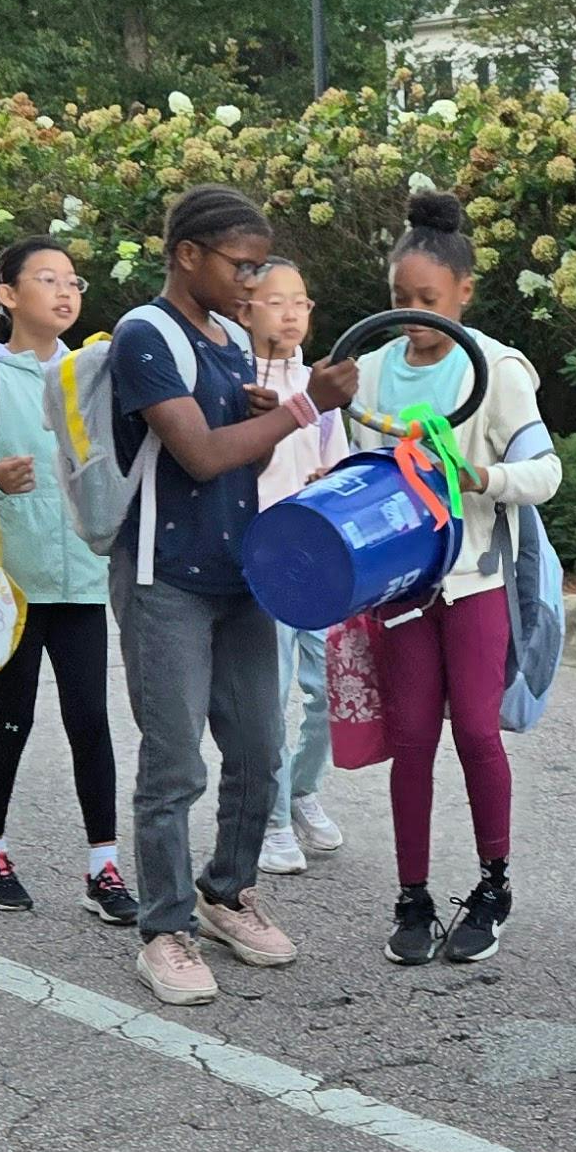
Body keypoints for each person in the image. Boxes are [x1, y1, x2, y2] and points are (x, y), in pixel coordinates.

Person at [105, 186, 358, 1008]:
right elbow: (203, 457)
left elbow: (239, 459)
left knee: (259, 750)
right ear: (187, 255)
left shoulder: (224, 339)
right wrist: (300, 407)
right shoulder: (148, 333)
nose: (251, 283)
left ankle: (226, 892)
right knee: (174, 763)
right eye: (240, 265)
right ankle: (165, 928)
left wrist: (268, 414)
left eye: (260, 268)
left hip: (239, 573)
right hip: (164, 578)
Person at [342, 192, 563, 965]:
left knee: (473, 728)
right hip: (399, 588)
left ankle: (493, 883)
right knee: (411, 740)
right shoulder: (367, 370)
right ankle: (412, 894)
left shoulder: (497, 369)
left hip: (473, 581)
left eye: (428, 302)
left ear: (464, 294)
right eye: (399, 300)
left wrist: (483, 477)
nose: (412, 316)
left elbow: (546, 471)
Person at [0, 237, 132, 923]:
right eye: (47, 280)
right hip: (9, 587)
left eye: (73, 280)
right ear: (8, 295)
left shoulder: (92, 374)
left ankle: (104, 866)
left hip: (82, 581)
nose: (65, 292)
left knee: (91, 723)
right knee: (10, 720)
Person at [243, 259, 346, 877]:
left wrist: (328, 479)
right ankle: (272, 818)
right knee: (270, 696)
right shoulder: (235, 383)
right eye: (275, 301)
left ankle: (302, 790)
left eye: (300, 301)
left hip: (320, 560)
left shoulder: (324, 390)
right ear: (244, 309)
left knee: (332, 689)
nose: (290, 312)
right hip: (262, 560)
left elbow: (339, 465)